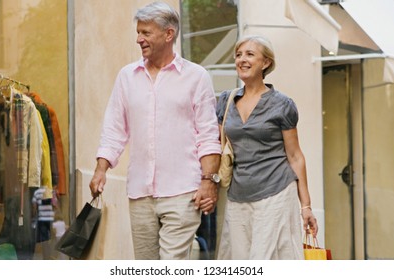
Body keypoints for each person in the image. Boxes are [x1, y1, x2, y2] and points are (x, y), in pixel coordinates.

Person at [89, 2, 221, 260]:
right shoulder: (127, 77)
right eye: (138, 32)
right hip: (140, 193)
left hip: (183, 190)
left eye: (146, 33)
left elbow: (207, 136)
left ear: (168, 34)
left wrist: (208, 182)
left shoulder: (197, 77)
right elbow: (114, 128)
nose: (139, 39)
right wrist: (101, 169)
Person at [215, 35, 318, 260]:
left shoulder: (282, 104)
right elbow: (217, 146)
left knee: (267, 259)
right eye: (239, 55)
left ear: (265, 63)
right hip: (238, 195)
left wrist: (306, 207)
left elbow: (295, 156)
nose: (242, 59)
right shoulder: (226, 101)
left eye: (250, 54)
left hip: (276, 192)